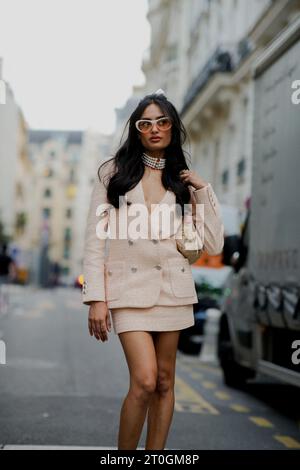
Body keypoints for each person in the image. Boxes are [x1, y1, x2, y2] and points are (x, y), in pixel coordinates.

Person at [82, 90, 224, 450]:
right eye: (146, 123)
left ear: (173, 128)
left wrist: (203, 190)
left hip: (172, 291)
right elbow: (96, 239)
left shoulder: (182, 180)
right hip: (127, 290)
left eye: (162, 122)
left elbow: (214, 245)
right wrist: (96, 298)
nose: (155, 129)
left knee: (164, 382)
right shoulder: (113, 173)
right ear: (137, 129)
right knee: (144, 381)